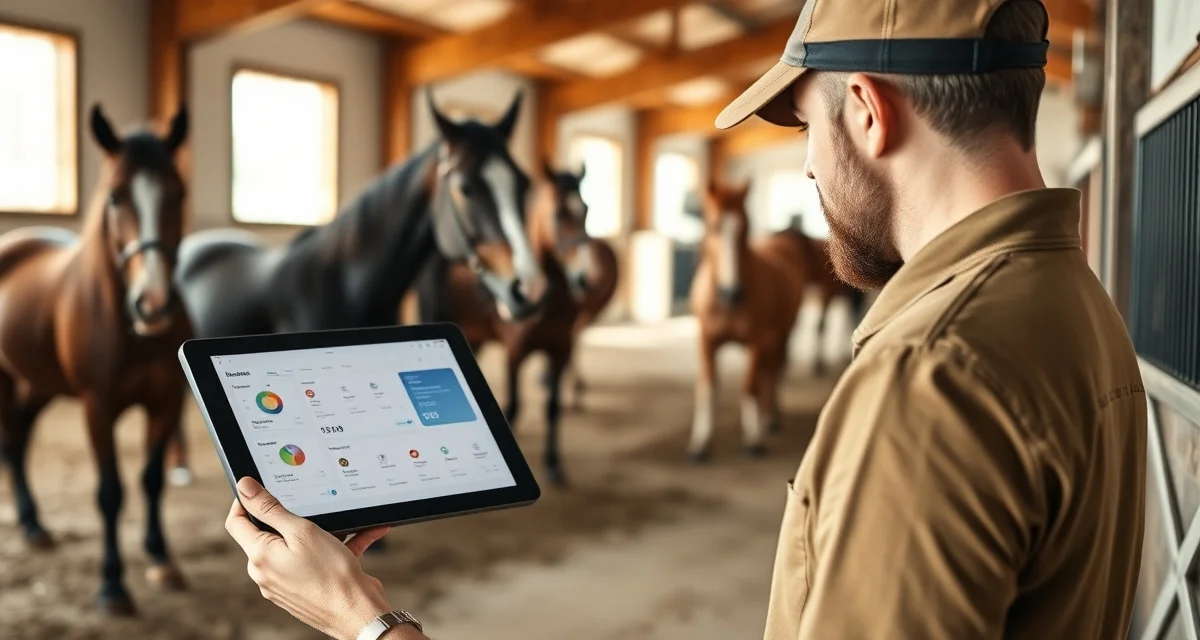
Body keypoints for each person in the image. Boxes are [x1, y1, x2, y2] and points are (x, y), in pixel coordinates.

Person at [225, 0, 1148, 638]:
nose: (812, 174)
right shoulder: (1074, 299)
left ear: (867, 111)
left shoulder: (933, 374)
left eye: (806, 129)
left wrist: (366, 620)